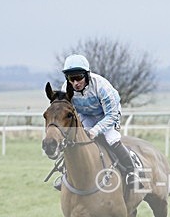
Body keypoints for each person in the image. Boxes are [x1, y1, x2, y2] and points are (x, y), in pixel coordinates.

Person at [55, 54, 142, 191]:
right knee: (75, 139)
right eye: (71, 79)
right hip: (86, 114)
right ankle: (67, 173)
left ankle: (132, 173)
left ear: (87, 75)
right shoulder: (66, 88)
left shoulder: (102, 86)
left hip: (108, 114)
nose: (75, 83)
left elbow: (112, 114)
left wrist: (96, 130)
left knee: (111, 138)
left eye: (79, 78)